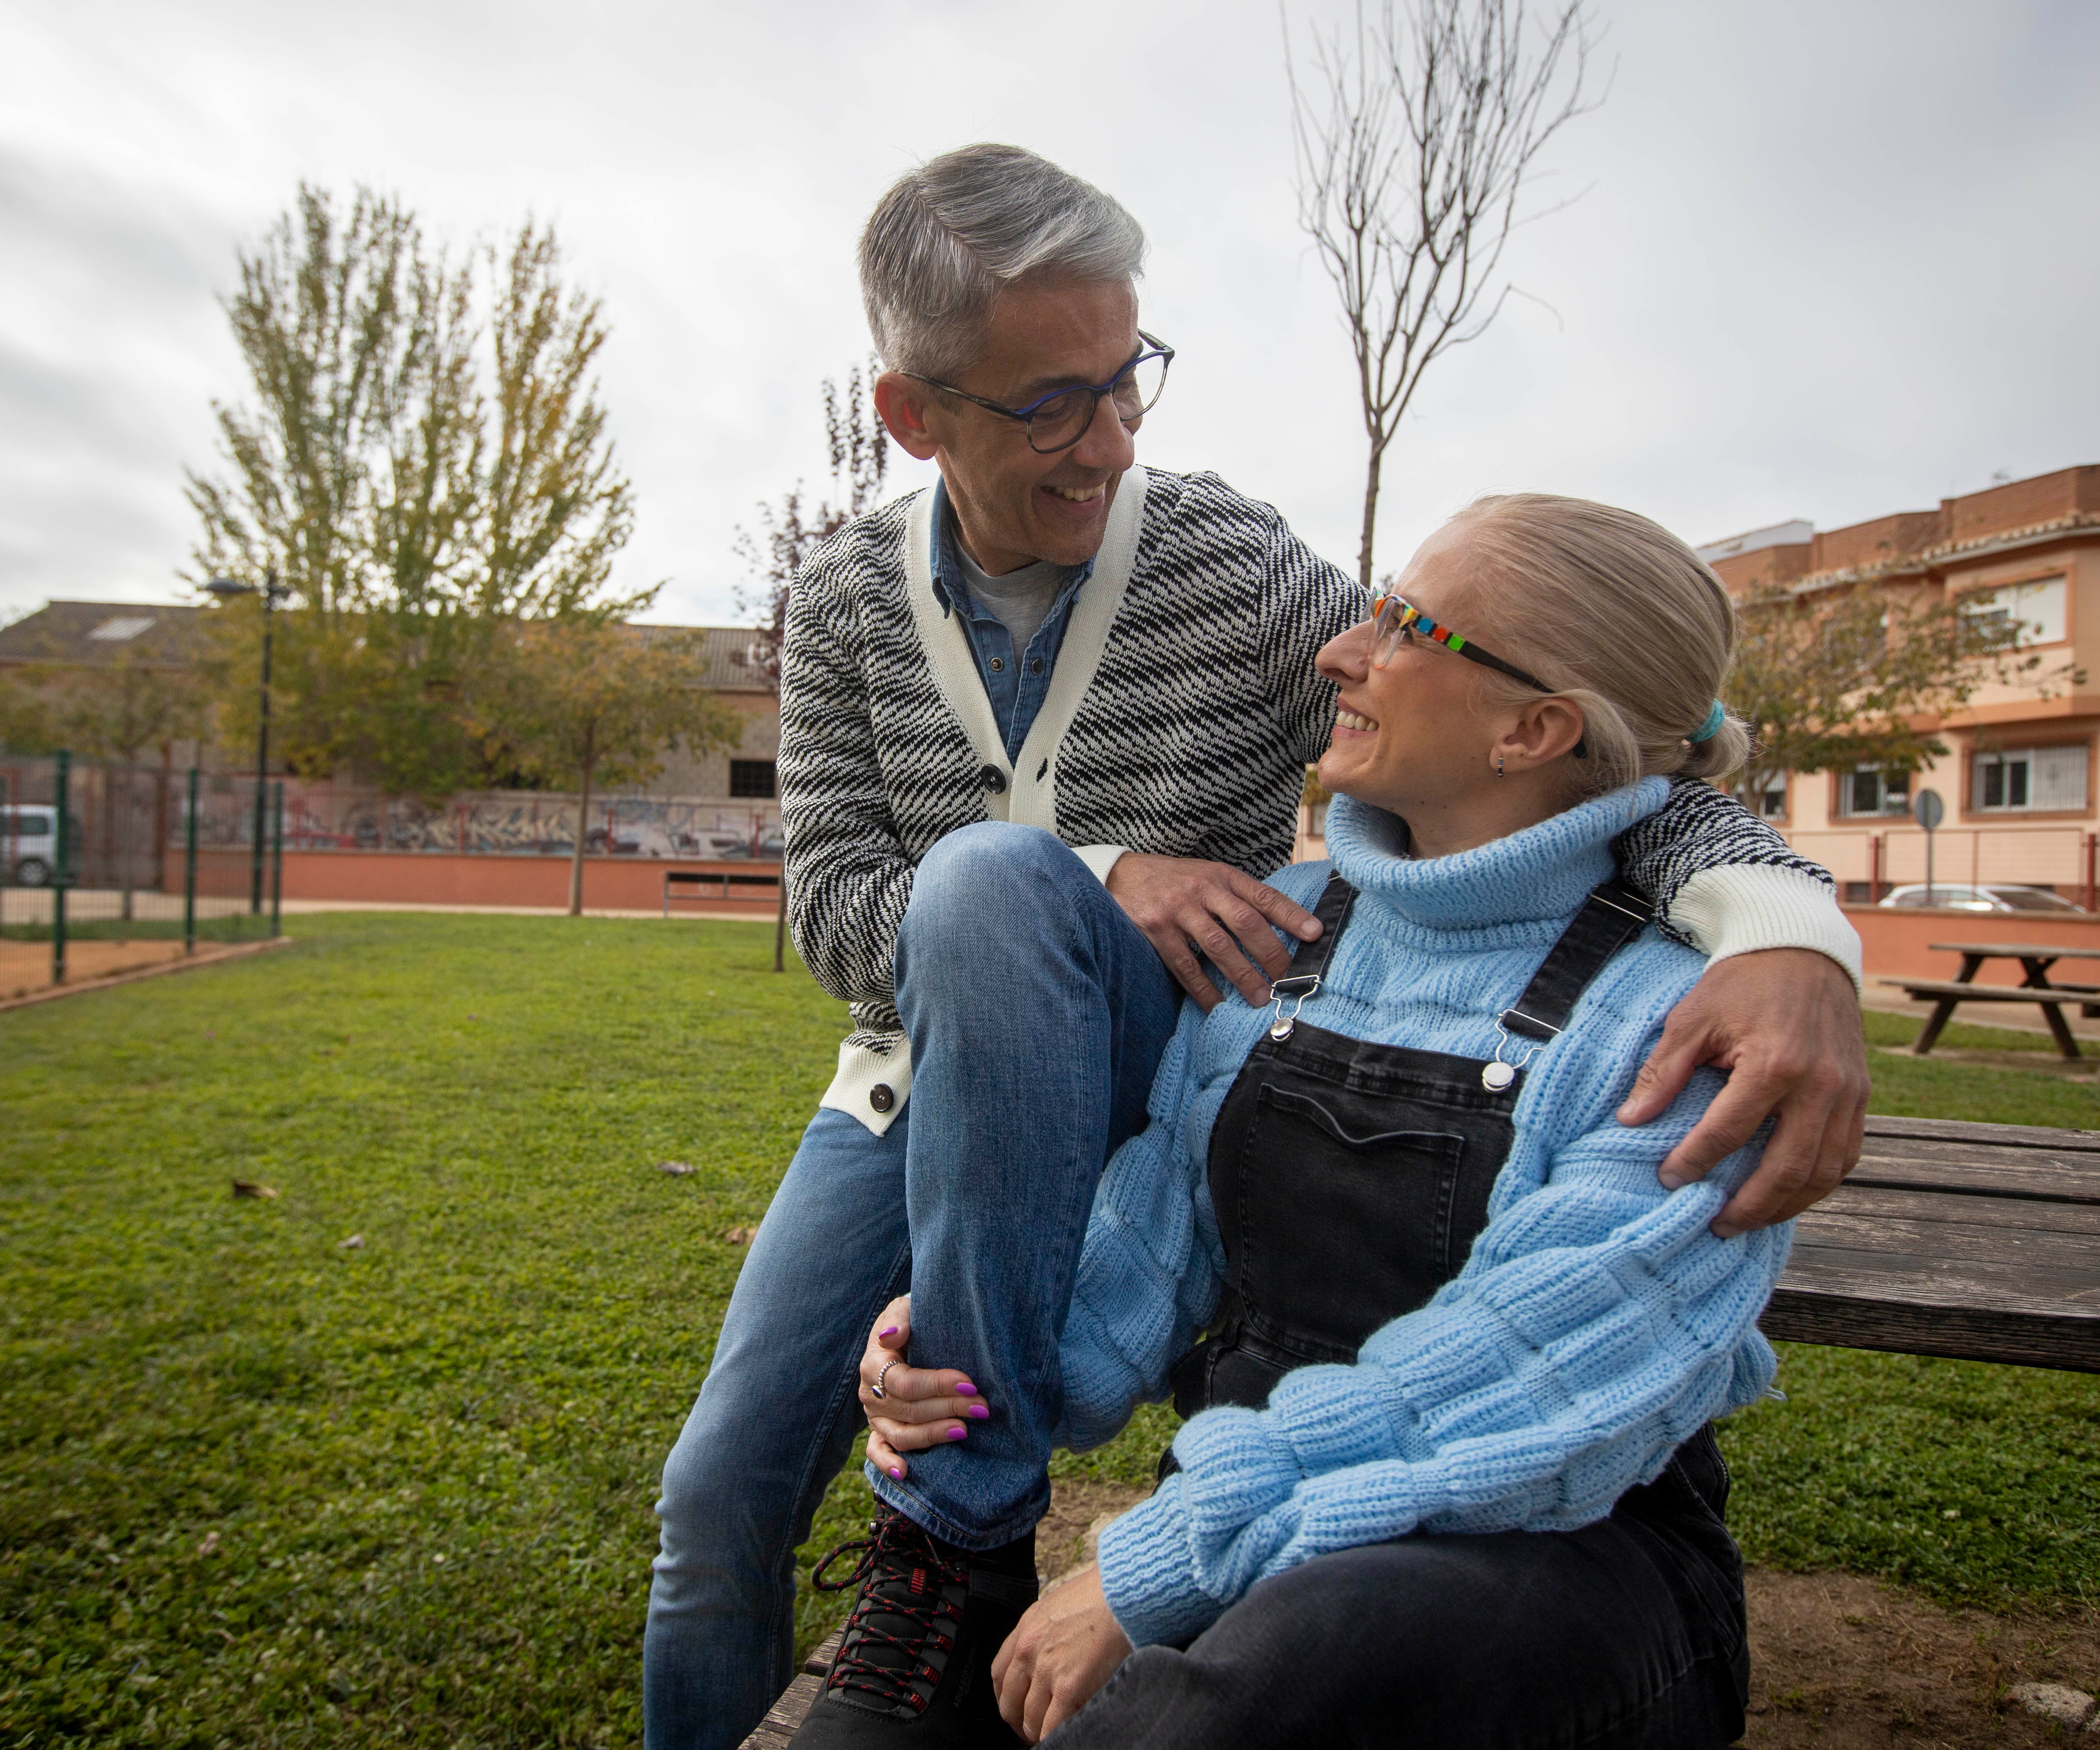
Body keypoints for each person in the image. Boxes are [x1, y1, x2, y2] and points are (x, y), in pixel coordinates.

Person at [642, 143, 1868, 1750]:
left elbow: (1565, 743)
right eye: (1050, 405)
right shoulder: (850, 600)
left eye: (1127, 379)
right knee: (719, 1497)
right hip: (927, 1065)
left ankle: (955, 1544)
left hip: (1208, 1046)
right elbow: (833, 910)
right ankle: (953, 1536)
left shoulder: (1233, 567)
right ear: (914, 412)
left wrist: (1786, 927)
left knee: (1003, 901)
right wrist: (1094, 872)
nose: (1112, 439)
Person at [852, 494, 1799, 1747]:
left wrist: (1156, 1566)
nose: (1340, 654)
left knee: (1294, 1658)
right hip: (1258, 1553)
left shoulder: (1682, 1024)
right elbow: (1148, 1255)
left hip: (1567, 1574)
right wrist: (956, 1351)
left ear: (1535, 728)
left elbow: (1501, 1398)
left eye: (1407, 627)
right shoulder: (1288, 931)